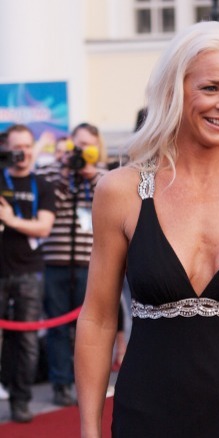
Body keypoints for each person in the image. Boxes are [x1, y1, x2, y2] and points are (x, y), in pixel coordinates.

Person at [74, 21, 219, 437]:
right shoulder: (120, 191)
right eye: (210, 87)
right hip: (146, 416)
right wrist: (89, 431)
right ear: (174, 90)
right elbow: (96, 319)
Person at [37, 122, 107, 407]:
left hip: (90, 265)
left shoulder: (104, 176)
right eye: (77, 144)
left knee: (87, 329)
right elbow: (45, 192)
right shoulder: (52, 172)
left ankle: (86, 385)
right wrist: (65, 169)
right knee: (55, 328)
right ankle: (60, 384)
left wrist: (90, 175)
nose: (81, 151)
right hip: (54, 262)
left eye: (88, 145)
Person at [0, 124, 56, 422]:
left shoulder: (43, 185)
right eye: (15, 147)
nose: (21, 152)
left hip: (29, 273)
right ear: (6, 148)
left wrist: (10, 219)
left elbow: (44, 227)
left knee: (28, 341)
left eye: (26, 146)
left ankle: (21, 401)